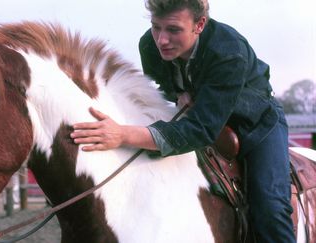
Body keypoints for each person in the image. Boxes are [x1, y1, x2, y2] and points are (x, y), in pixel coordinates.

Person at [70, 0, 295, 242]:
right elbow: (164, 85)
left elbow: (200, 130)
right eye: (157, 27)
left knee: (270, 205)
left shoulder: (229, 50)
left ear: (199, 24)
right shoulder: (149, 44)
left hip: (255, 123)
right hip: (202, 114)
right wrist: (178, 93)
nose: (162, 40)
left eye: (174, 30)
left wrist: (123, 135)